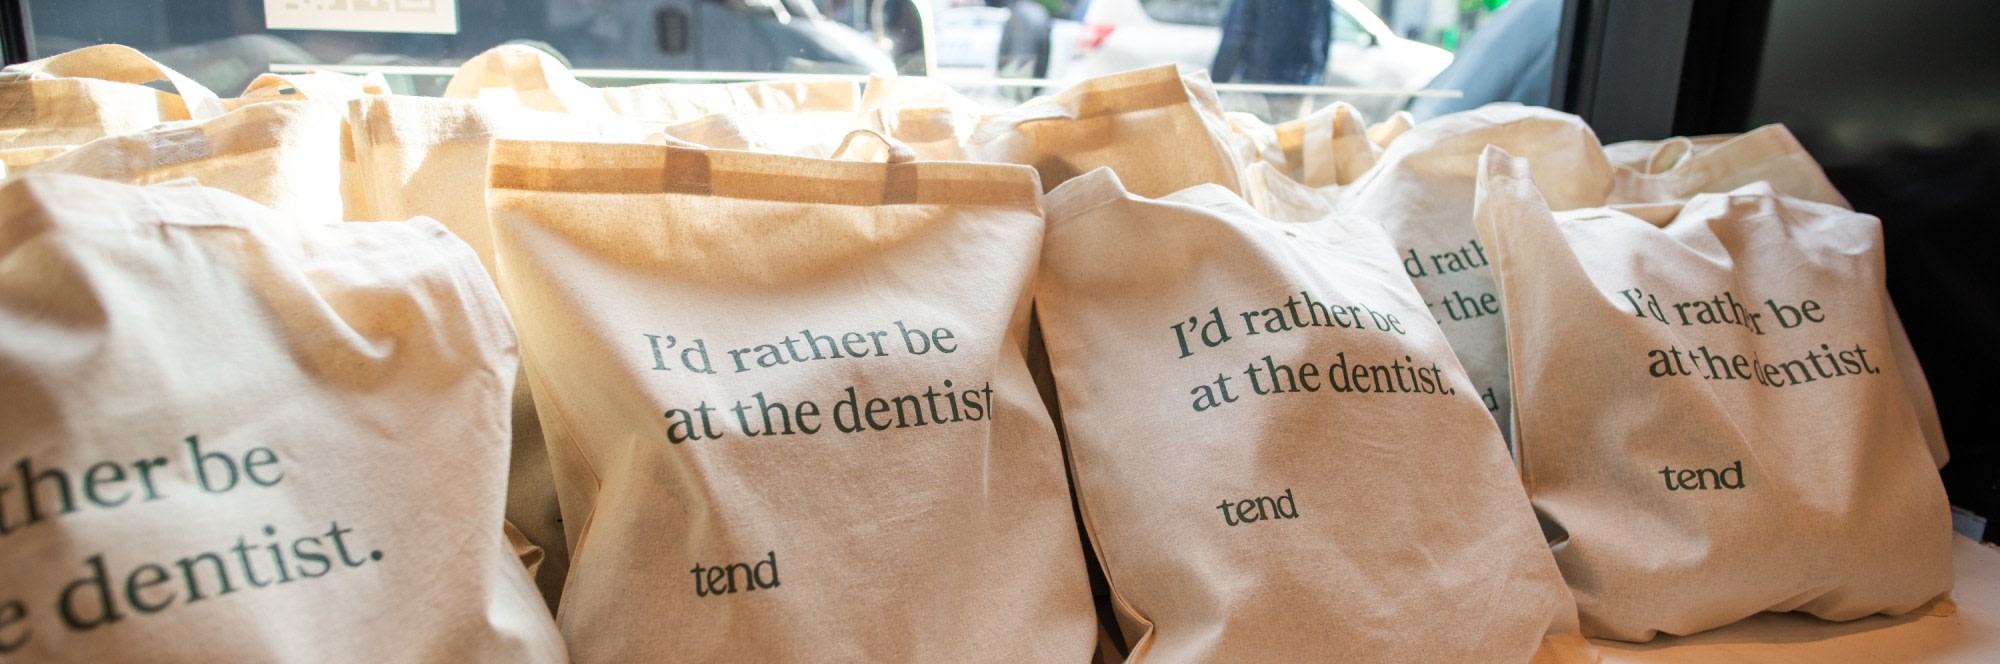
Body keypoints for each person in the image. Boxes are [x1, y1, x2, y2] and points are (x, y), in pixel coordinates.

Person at [1211, 0, 1333, 121]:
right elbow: (1324, 35)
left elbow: (1235, 35)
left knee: (1255, 135)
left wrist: (1215, 87)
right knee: (1289, 137)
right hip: (1297, 85)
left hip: (1259, 84)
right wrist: (1316, 78)